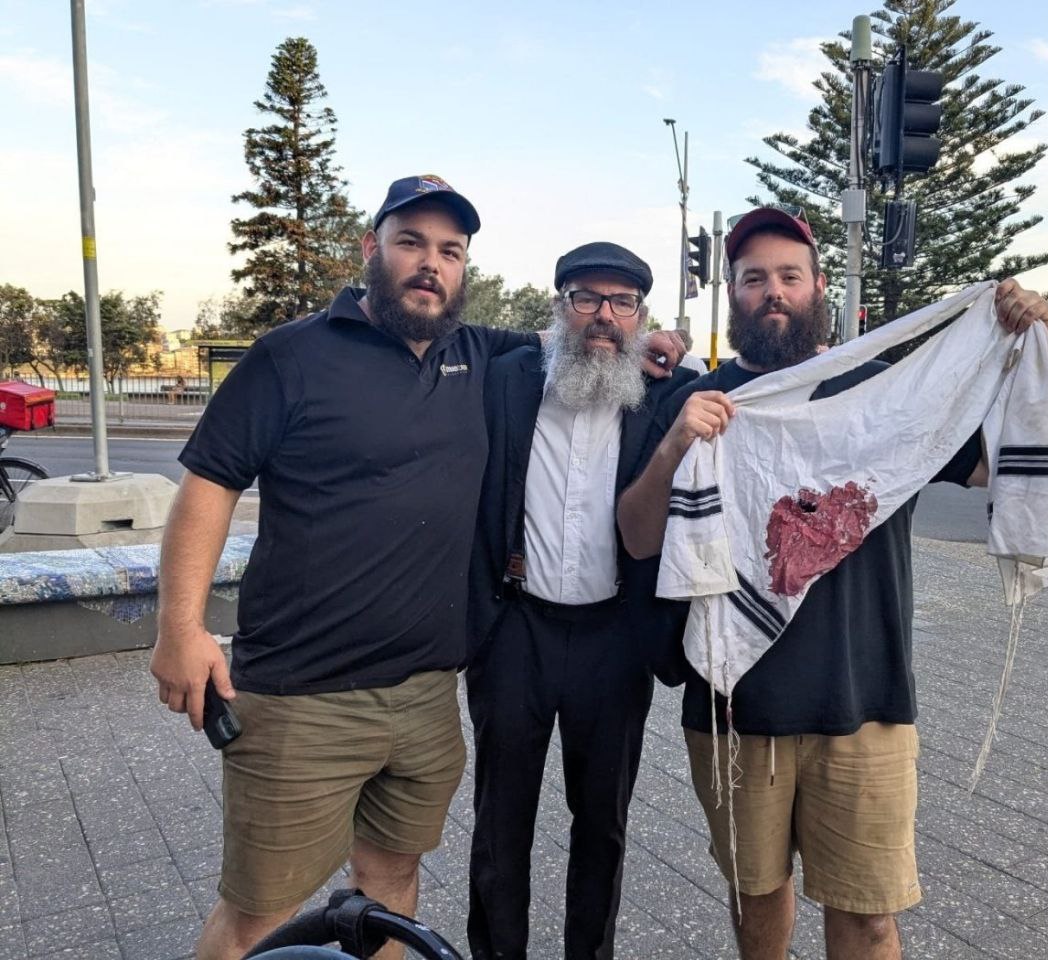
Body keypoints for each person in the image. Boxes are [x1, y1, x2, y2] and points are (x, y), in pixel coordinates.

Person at [150, 174, 685, 960]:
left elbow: (596, 345)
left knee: (396, 881)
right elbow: (209, 483)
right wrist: (179, 626)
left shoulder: (490, 356)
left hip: (441, 685)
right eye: (412, 243)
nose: (431, 263)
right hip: (328, 685)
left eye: (450, 251)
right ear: (372, 248)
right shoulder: (299, 355)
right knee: (266, 915)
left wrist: (658, 341)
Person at [616, 207, 1048, 960]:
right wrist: (677, 442)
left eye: (790, 276)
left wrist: (1027, 346)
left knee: (871, 917)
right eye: (754, 278)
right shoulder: (695, 402)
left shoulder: (883, 395)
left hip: (867, 704)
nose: (773, 292)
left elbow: (994, 464)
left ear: (820, 287)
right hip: (736, 709)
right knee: (757, 904)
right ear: (733, 294)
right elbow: (635, 536)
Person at [465, 242, 695, 960]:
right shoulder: (507, 379)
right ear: (559, 307)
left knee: (602, 826)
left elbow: (756, 391)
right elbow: (454, 335)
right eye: (586, 298)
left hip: (614, 639)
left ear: (640, 316)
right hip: (516, 631)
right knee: (500, 823)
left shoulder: (666, 395)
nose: (604, 315)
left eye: (622, 303)